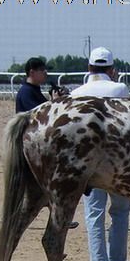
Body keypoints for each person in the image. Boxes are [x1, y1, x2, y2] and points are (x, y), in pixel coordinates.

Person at [71, 46, 130, 261]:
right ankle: (118, 260)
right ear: (111, 69)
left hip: (87, 161)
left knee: (94, 213)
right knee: (121, 209)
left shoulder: (77, 92)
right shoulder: (119, 88)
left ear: (90, 68)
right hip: (117, 161)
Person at [16, 57, 78, 230]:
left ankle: (58, 218)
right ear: (32, 72)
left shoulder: (32, 90)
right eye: (42, 70)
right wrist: (54, 102)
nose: (45, 73)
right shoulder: (26, 92)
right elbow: (38, 116)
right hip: (32, 145)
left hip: (35, 144)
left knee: (47, 188)